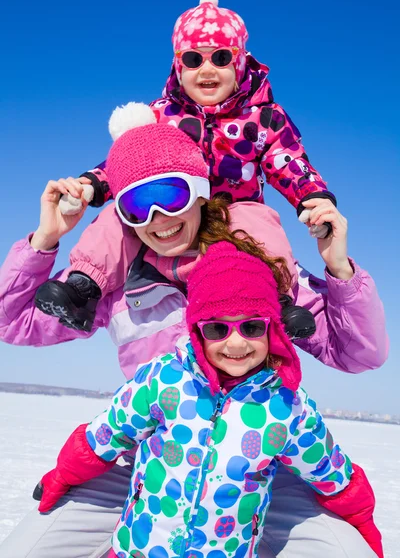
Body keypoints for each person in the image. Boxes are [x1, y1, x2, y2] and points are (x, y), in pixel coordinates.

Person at [0, 113, 387, 558]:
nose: (159, 218)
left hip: (257, 470)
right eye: (138, 206)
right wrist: (45, 241)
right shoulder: (118, 283)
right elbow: (14, 322)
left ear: (201, 193)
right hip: (141, 465)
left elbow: (360, 354)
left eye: (170, 195)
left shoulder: (259, 274)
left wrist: (339, 269)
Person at [33, 240, 383, 558]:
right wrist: (63, 476)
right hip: (136, 551)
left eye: (251, 327)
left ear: (272, 328)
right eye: (217, 328)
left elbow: (331, 472)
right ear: (197, 331)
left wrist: (363, 522)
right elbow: (105, 436)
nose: (235, 344)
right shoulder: (165, 379)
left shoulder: (286, 406)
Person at [34, 0, 339, 332]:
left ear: (239, 63)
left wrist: (313, 196)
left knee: (262, 222)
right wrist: (92, 184)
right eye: (194, 59)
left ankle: (276, 298)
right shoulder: (162, 115)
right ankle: (83, 287)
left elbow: (288, 159)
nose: (206, 70)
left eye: (221, 58)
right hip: (170, 208)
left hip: (233, 212)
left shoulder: (262, 118)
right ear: (179, 66)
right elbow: (128, 164)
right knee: (121, 216)